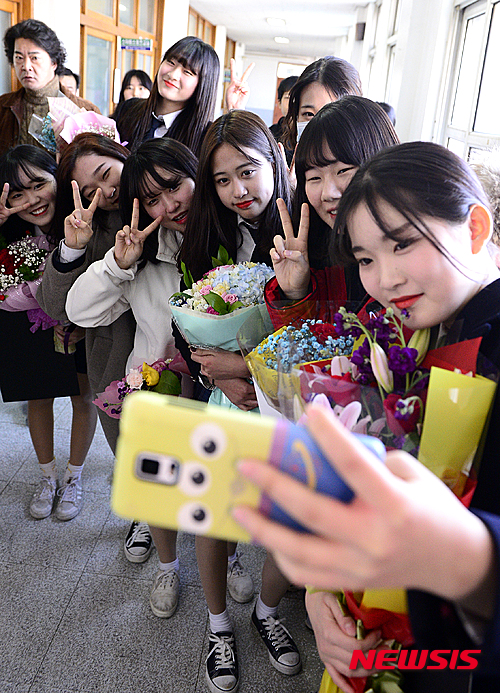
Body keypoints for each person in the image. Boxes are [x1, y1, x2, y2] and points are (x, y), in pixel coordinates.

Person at [233, 141, 500, 692]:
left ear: (475, 229)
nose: (387, 279)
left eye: (402, 244)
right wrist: (324, 594)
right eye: (366, 259)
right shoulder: (394, 336)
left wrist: (472, 563)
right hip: (387, 641)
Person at [178, 109, 301, 693]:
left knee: (289, 519)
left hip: (291, 398)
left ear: (274, 161)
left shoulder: (305, 232)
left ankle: (266, 613)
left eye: (248, 171)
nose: (238, 190)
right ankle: (218, 624)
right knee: (213, 510)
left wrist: (250, 367)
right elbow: (186, 323)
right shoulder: (208, 235)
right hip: (227, 397)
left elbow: (317, 329)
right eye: (222, 179)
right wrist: (218, 376)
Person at [36, 133, 152, 563]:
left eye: (106, 173)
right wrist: (72, 248)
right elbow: (56, 307)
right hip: (115, 359)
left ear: (121, 155)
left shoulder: (165, 202)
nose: (105, 192)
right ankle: (144, 515)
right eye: (90, 191)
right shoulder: (92, 228)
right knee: (129, 443)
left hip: (172, 348)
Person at [0, 145, 97, 520]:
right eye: (18, 194)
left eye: (39, 184)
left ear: (57, 176)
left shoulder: (83, 215)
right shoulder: (9, 227)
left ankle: (74, 476)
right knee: (37, 395)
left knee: (82, 395)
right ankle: (47, 477)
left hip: (81, 322)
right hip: (25, 320)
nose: (32, 200)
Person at [265, 96, 400, 327]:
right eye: (314, 178)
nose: (328, 193)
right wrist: (295, 293)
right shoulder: (316, 255)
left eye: (343, 171)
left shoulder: (414, 253)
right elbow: (306, 345)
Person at [115, 37, 253, 155]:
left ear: (203, 84)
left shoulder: (206, 138)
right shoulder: (129, 109)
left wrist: (235, 111)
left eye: (187, 72)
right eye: (171, 62)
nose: (173, 75)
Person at [0, 19, 99, 156]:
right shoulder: (3, 106)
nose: (26, 66)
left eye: (34, 58)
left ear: (54, 62)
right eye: (19, 58)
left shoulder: (86, 111)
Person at [281, 57, 362, 155]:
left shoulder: (372, 163)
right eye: (309, 114)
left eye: (331, 115)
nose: (318, 124)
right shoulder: (284, 159)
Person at [269, 74, 298, 145]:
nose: (293, 102)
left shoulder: (311, 133)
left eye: (297, 98)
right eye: (288, 98)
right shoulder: (270, 134)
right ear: (279, 103)